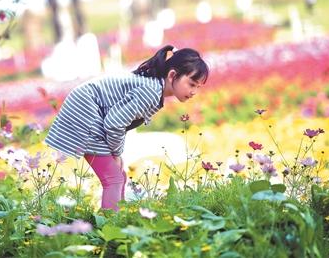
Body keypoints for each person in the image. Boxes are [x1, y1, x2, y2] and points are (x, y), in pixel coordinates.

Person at [45, 45, 209, 211]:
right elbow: (114, 123)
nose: (194, 91)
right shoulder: (150, 92)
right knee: (113, 179)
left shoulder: (154, 88)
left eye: (198, 87)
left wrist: (116, 154)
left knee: (119, 176)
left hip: (88, 108)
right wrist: (116, 153)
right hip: (85, 110)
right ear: (172, 75)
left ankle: (118, 218)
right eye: (191, 84)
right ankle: (110, 226)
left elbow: (116, 121)